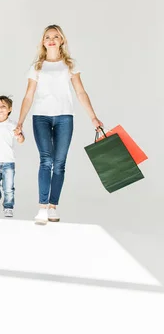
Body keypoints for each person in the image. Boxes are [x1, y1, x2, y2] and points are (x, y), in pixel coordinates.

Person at [14, 24, 103, 224]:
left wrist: (93, 117)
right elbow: (29, 96)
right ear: (43, 42)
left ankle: (53, 206)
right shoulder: (37, 67)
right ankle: (42, 208)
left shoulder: (70, 65)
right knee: (46, 160)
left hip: (64, 117)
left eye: (56, 36)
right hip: (41, 117)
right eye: (47, 37)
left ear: (62, 40)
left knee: (60, 164)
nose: (52, 39)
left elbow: (80, 92)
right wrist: (20, 121)